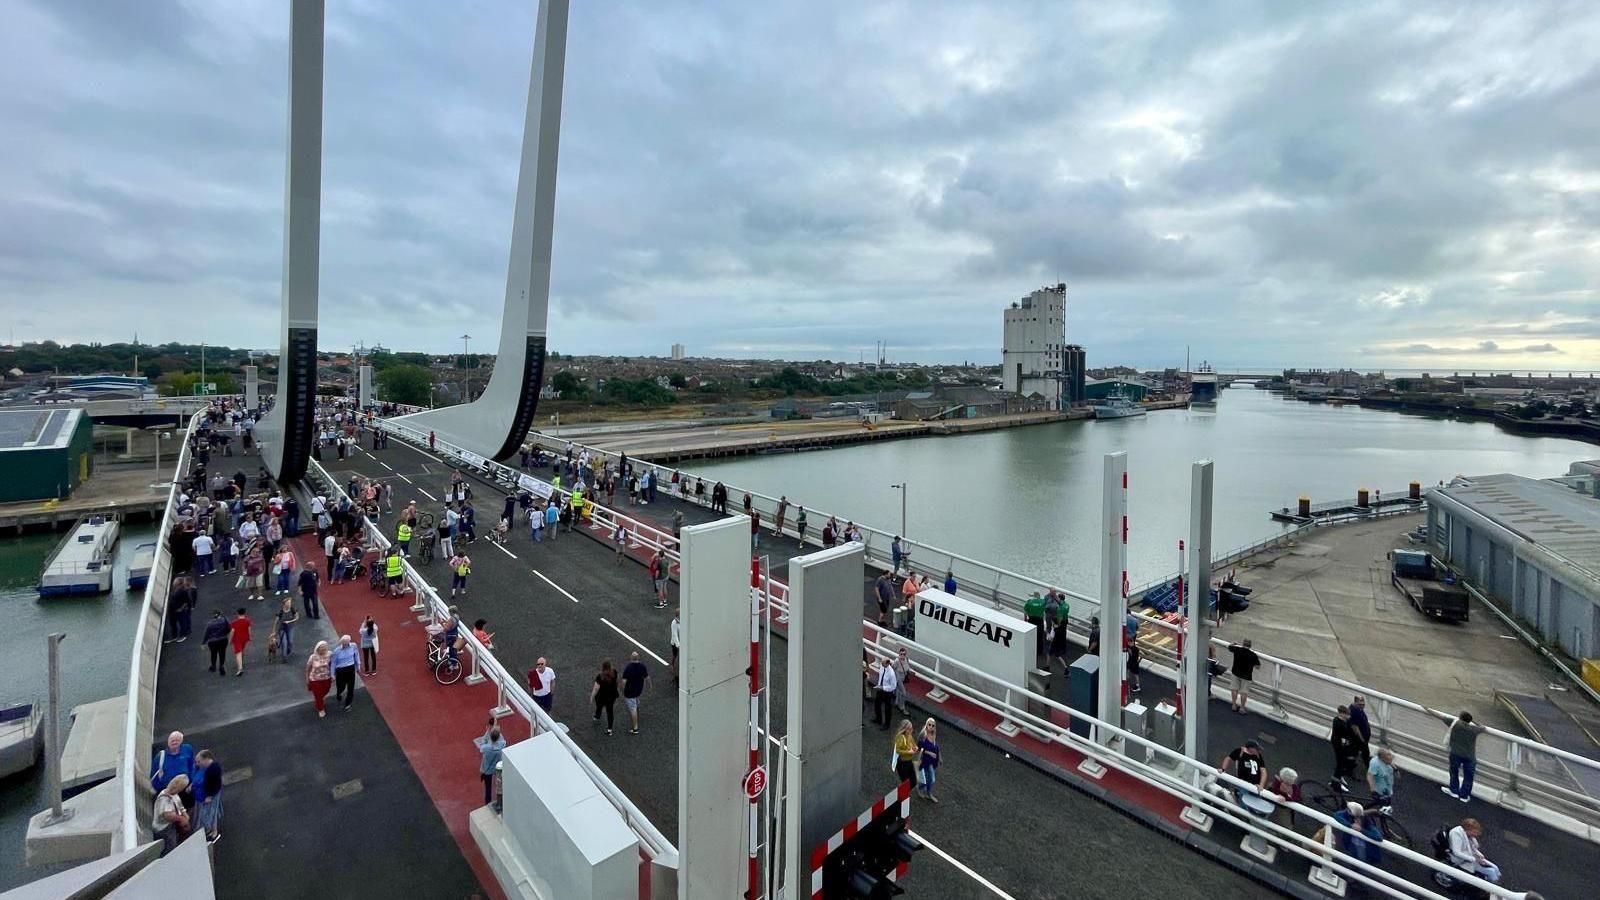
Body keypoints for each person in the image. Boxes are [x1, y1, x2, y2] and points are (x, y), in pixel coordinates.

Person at [1443, 711, 1486, 802]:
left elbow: (1439, 716)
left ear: (1460, 718)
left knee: (1454, 772)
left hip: (1455, 753)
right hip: (1469, 757)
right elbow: (1483, 727)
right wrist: (1473, 721)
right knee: (1468, 776)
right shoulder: (1474, 730)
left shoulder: (1455, 724)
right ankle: (1464, 796)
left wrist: (1427, 709)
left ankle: (1454, 790)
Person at [1446, 818, 1501, 884]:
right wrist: (1474, 859)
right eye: (1474, 832)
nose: (1476, 834)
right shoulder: (1457, 834)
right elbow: (1456, 852)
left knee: (1495, 868)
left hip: (1471, 857)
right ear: (1468, 830)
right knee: (1491, 872)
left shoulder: (1467, 835)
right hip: (1462, 860)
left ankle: (1493, 882)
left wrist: (1479, 854)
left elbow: (1472, 847)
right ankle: (1492, 888)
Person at [1331, 800, 1384, 866]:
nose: (1356, 820)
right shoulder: (1349, 817)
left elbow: (1379, 838)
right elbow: (1336, 815)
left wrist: (1361, 830)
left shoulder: (1368, 824)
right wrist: (1350, 826)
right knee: (1351, 861)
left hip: (1363, 848)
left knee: (1362, 865)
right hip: (1351, 844)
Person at [152, 774, 191, 856]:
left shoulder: (174, 795)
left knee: (172, 842)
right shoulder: (164, 799)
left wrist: (185, 814)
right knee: (169, 847)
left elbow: (179, 805)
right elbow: (168, 815)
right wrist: (181, 819)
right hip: (163, 828)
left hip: (170, 826)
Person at [192, 750, 224, 844]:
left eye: (199, 761)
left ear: (206, 759)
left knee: (209, 815)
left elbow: (217, 785)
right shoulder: (206, 768)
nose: (197, 764)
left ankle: (212, 832)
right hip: (205, 796)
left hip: (209, 796)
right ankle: (211, 831)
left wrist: (209, 796)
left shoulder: (213, 770)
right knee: (208, 814)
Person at [150, 731, 196, 797]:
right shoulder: (160, 756)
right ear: (168, 742)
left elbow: (192, 766)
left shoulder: (187, 749)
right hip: (167, 791)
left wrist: (191, 783)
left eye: (177, 740)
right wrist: (162, 790)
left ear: (181, 741)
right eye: (172, 740)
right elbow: (153, 776)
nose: (174, 742)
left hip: (185, 790)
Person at [1330, 705, 1360, 789]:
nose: (1348, 716)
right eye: (1347, 714)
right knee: (1341, 763)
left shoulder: (1342, 721)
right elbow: (1346, 734)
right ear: (1342, 714)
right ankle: (1336, 781)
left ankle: (1339, 777)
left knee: (1344, 762)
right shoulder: (1339, 723)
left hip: (1343, 744)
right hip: (1339, 745)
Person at [476, 726, 507, 806]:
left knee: (488, 789)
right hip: (498, 768)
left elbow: (482, 745)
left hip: (487, 770)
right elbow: (502, 740)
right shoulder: (502, 745)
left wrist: (487, 732)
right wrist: (497, 732)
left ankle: (488, 803)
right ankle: (501, 802)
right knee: (500, 786)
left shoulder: (486, 748)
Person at [621, 652, 650, 734]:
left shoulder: (628, 668)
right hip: (638, 690)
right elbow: (647, 677)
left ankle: (635, 728)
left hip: (630, 692)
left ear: (631, 658)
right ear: (638, 658)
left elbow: (623, 682)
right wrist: (650, 685)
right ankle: (637, 716)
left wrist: (622, 690)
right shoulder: (642, 666)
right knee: (636, 703)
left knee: (632, 708)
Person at [1227, 638, 1260, 712]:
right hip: (1246, 676)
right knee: (1244, 692)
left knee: (1234, 689)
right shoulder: (1253, 655)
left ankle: (1234, 705)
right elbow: (1258, 667)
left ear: (1243, 644)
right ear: (1250, 646)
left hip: (1235, 672)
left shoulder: (1237, 650)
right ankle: (1242, 708)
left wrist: (1234, 643)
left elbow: (1229, 647)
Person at [331, 635, 360, 710]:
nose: (344, 644)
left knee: (351, 687)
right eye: (343, 643)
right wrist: (332, 674)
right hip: (341, 670)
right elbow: (333, 663)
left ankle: (348, 703)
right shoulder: (337, 651)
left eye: (346, 643)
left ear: (349, 642)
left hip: (350, 669)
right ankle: (339, 694)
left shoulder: (353, 646)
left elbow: (356, 655)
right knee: (340, 686)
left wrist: (358, 665)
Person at [591, 659, 620, 734]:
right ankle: (609, 729)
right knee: (610, 712)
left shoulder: (600, 676)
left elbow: (596, 688)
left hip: (601, 696)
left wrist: (592, 697)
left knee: (599, 707)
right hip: (611, 696)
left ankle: (597, 717)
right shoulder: (614, 672)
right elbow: (616, 681)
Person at [306, 641, 334, 718]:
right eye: (321, 649)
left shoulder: (330, 654)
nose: (323, 650)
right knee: (317, 695)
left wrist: (333, 674)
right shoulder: (313, 657)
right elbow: (308, 668)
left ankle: (320, 699)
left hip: (326, 677)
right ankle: (321, 709)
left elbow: (333, 664)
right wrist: (307, 678)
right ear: (317, 649)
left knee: (326, 690)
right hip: (315, 679)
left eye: (325, 648)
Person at [916, 719, 941, 802]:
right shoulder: (923, 735)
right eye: (929, 725)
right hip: (925, 761)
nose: (931, 727)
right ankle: (926, 791)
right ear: (926, 725)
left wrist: (940, 757)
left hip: (933, 761)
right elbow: (919, 748)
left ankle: (925, 790)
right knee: (931, 779)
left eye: (933, 725)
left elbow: (936, 747)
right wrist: (929, 753)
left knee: (928, 778)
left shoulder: (933, 735)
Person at [872, 656, 898, 729]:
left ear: (887, 664)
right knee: (877, 704)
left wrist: (883, 688)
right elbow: (881, 677)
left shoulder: (891, 673)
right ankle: (878, 719)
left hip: (888, 692)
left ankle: (887, 724)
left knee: (887, 709)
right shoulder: (882, 667)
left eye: (883, 663)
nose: (881, 663)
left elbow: (893, 686)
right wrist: (879, 686)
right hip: (880, 689)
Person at [203, 610, 230, 675]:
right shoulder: (224, 620)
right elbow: (229, 628)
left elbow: (207, 633)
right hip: (223, 639)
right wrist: (225, 634)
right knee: (222, 653)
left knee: (213, 654)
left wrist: (203, 642)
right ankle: (221, 666)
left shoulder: (210, 623)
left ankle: (213, 666)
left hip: (213, 641)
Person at [893, 719, 918, 785]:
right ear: (904, 729)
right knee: (906, 782)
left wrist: (915, 748)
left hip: (909, 761)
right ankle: (902, 794)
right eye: (909, 729)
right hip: (902, 763)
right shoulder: (900, 738)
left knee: (913, 782)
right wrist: (909, 752)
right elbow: (898, 750)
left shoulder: (909, 736)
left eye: (912, 728)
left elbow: (914, 744)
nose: (911, 730)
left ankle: (903, 793)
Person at [1349, 695, 1373, 765]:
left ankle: (1352, 763)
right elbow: (1355, 727)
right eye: (1360, 704)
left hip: (1363, 737)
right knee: (1365, 752)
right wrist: (1362, 739)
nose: (1362, 706)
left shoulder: (1359, 709)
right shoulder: (1353, 712)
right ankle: (1367, 766)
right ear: (1355, 702)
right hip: (1360, 738)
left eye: (1363, 704)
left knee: (1355, 751)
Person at [229, 607, 252, 676]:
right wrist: (250, 637)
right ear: (245, 613)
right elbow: (249, 630)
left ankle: (240, 669)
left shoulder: (234, 623)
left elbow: (232, 632)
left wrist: (230, 640)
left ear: (237, 613)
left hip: (237, 639)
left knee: (238, 653)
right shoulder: (248, 621)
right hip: (244, 638)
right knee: (241, 650)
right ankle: (241, 663)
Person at [669, 609, 681, 684]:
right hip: (675, 643)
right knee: (675, 655)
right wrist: (678, 645)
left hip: (682, 641)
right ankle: (672, 665)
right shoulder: (674, 623)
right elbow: (674, 635)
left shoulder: (683, 620)